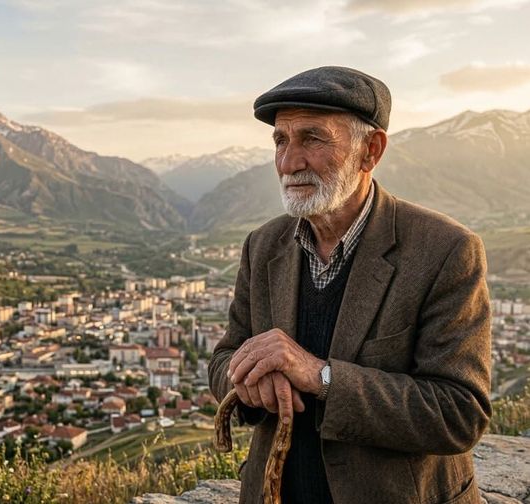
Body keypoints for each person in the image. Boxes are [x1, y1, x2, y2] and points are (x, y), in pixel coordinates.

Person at [207, 66, 491, 504]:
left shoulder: (445, 250)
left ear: (370, 151)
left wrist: (321, 376)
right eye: (281, 140)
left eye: (312, 138)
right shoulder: (263, 246)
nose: (288, 162)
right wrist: (248, 382)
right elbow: (226, 357)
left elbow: (458, 413)